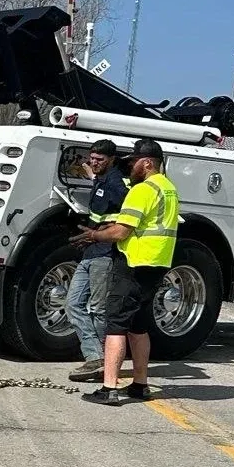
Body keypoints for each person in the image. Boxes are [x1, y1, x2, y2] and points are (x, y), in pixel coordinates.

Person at [73, 139, 179, 406]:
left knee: (116, 325)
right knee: (138, 326)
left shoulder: (143, 190)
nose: (129, 166)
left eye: (134, 162)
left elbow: (122, 231)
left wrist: (94, 236)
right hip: (157, 264)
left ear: (148, 163)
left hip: (133, 262)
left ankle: (109, 388)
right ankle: (140, 385)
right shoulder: (169, 189)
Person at [66, 140, 130, 382]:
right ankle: (95, 357)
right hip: (91, 252)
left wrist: (103, 232)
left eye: (100, 160)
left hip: (106, 254)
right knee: (73, 304)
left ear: (112, 159)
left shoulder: (116, 183)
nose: (94, 163)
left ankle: (103, 361)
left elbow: (124, 211)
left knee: (98, 309)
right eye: (92, 158)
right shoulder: (101, 179)